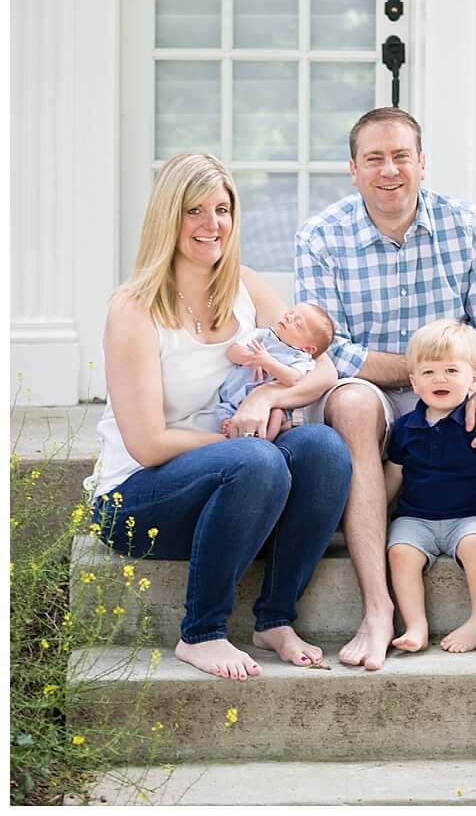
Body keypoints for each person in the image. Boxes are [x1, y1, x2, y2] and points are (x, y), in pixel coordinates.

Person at [296, 105, 476, 674]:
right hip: (373, 392)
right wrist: (424, 373)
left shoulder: (467, 227)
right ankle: (377, 610)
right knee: (346, 402)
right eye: (374, 158)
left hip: (459, 389)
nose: (388, 170)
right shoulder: (321, 237)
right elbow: (332, 350)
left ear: (422, 163)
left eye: (401, 156)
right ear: (353, 169)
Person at [86, 150, 352, 681]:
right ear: (169, 218)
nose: (213, 225)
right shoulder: (134, 309)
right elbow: (148, 443)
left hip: (240, 490)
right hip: (140, 498)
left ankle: (274, 619)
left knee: (324, 450)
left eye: (223, 210)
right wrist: (244, 447)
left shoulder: (246, 286)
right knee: (259, 461)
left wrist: (263, 400)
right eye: (195, 211)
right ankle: (201, 632)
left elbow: (323, 370)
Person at [385, 321, 476, 658]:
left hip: (469, 517)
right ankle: (416, 624)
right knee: (400, 553)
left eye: (450, 370)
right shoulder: (405, 428)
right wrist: (377, 518)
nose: (439, 379)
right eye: (428, 371)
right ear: (413, 381)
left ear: (474, 378)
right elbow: (392, 478)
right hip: (416, 518)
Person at [201, 300, 337, 428]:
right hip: (233, 396)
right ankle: (229, 426)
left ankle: (267, 437)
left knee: (277, 414)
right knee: (222, 411)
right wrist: (251, 358)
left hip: (268, 406)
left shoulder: (300, 358)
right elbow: (231, 352)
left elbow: (293, 379)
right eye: (290, 314)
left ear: (308, 349)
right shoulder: (263, 335)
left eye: (298, 324)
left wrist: (268, 362)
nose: (289, 318)